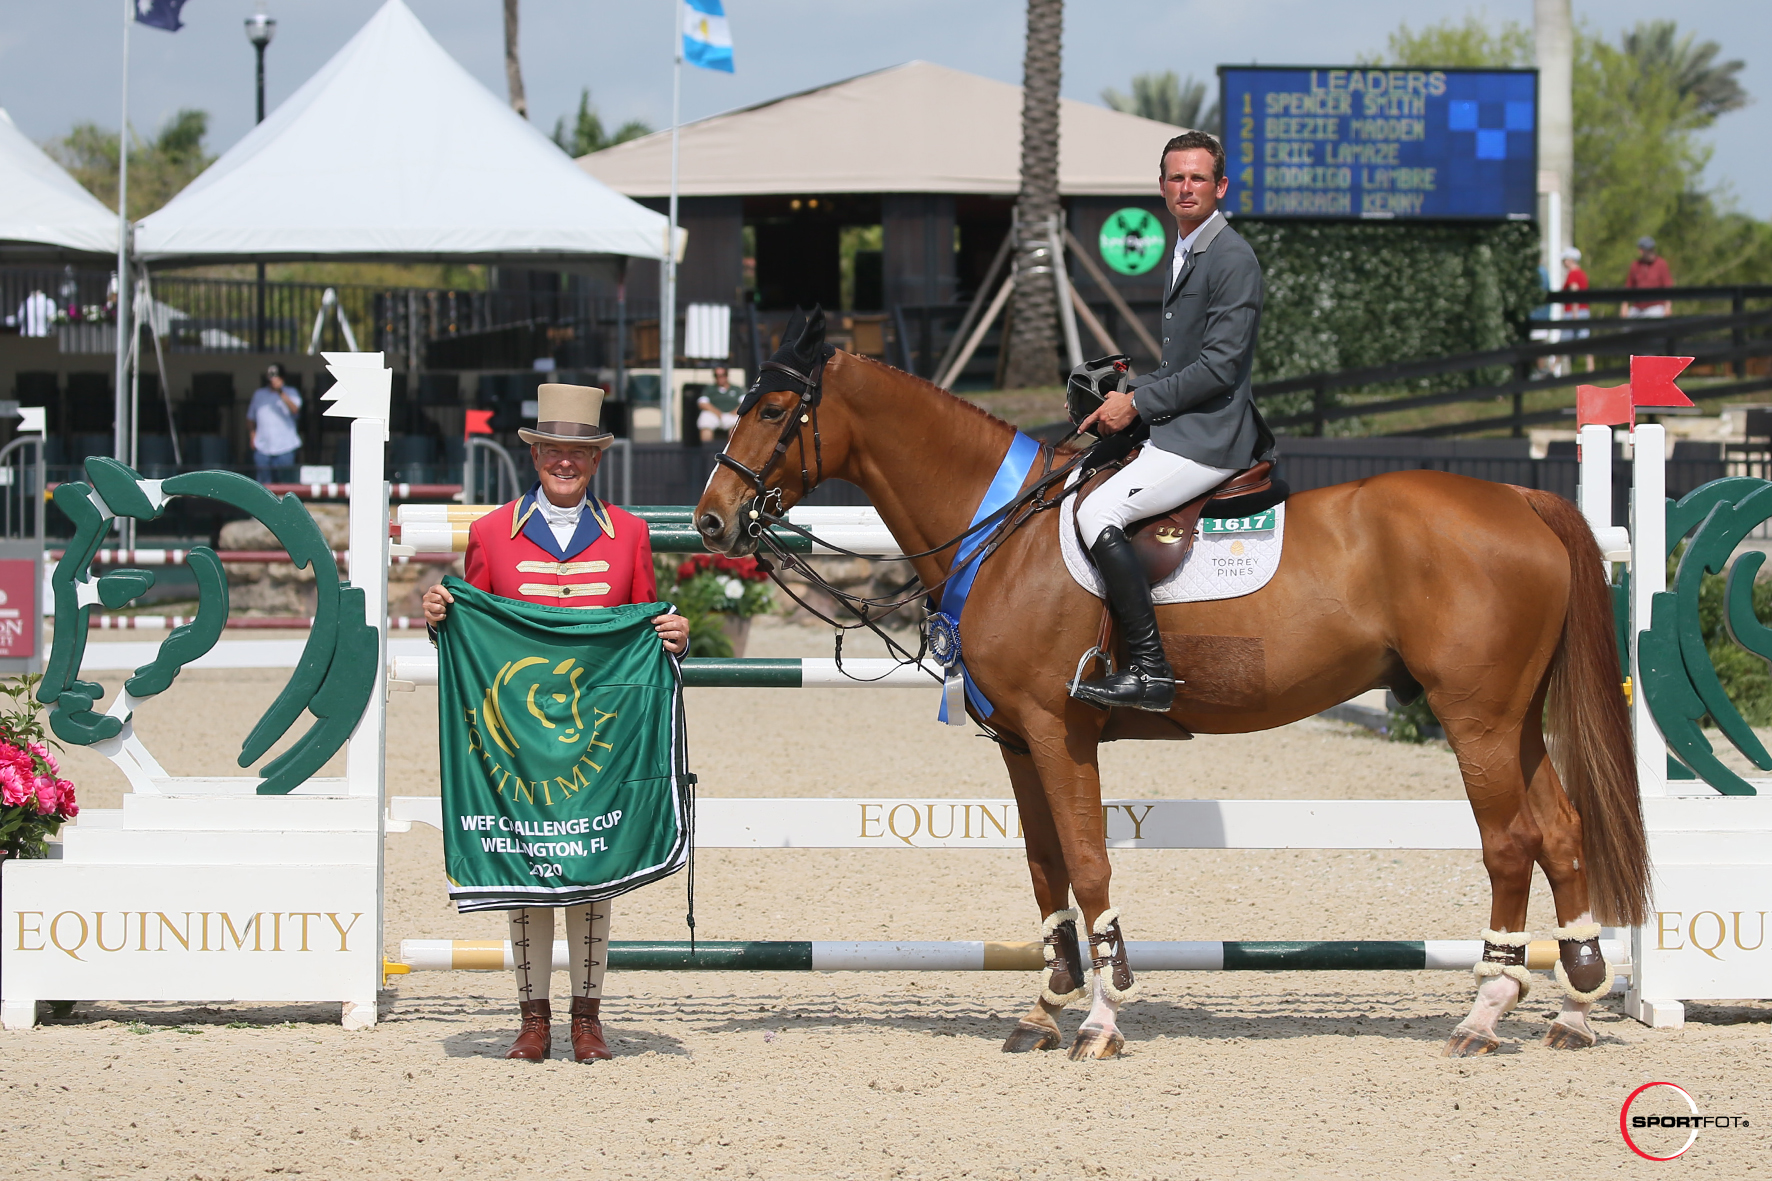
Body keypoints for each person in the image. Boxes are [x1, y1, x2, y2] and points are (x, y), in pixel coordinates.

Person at [421, 383, 689, 1063]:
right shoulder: (489, 533)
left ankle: (588, 1016)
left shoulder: (627, 532)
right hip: (516, 742)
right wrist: (441, 618)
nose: (563, 463)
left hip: (598, 737)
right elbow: (476, 639)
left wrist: (673, 634)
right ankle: (532, 1014)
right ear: (534, 454)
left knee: (592, 860)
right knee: (529, 858)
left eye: (577, 452)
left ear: (595, 459)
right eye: (552, 451)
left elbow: (642, 629)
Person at [1071, 130, 1272, 713]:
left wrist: (1136, 404)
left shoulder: (1231, 258)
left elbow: (1219, 368)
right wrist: (1126, 389)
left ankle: (1150, 671)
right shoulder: (1186, 247)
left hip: (1210, 437)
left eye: (1198, 178)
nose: (1187, 188)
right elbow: (1179, 363)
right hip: (1181, 420)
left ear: (1220, 187)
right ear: (1162, 187)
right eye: (1176, 178)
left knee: (1100, 509)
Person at [247, 364, 303, 484]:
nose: (273, 380)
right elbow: (250, 417)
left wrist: (280, 392)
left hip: (285, 447)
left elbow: (295, 409)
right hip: (262, 447)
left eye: (276, 376)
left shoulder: (291, 392)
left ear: (282, 378)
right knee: (263, 485)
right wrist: (252, 436)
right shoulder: (259, 394)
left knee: (285, 484)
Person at [1624, 236, 1673, 318]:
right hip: (1637, 307)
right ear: (1641, 251)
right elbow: (1628, 286)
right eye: (1649, 250)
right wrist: (1624, 306)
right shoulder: (1635, 265)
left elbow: (1668, 287)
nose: (1652, 252)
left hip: (1655, 307)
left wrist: (1668, 307)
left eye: (1652, 249)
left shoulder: (1661, 264)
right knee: (1626, 328)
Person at [696, 365, 743, 442]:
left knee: (736, 427)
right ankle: (706, 451)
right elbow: (702, 403)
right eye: (716, 375)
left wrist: (735, 411)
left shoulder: (736, 389)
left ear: (726, 376)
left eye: (722, 375)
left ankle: (731, 452)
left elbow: (744, 402)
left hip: (732, 415)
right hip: (715, 415)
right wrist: (717, 413)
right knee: (705, 421)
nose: (719, 378)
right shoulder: (710, 389)